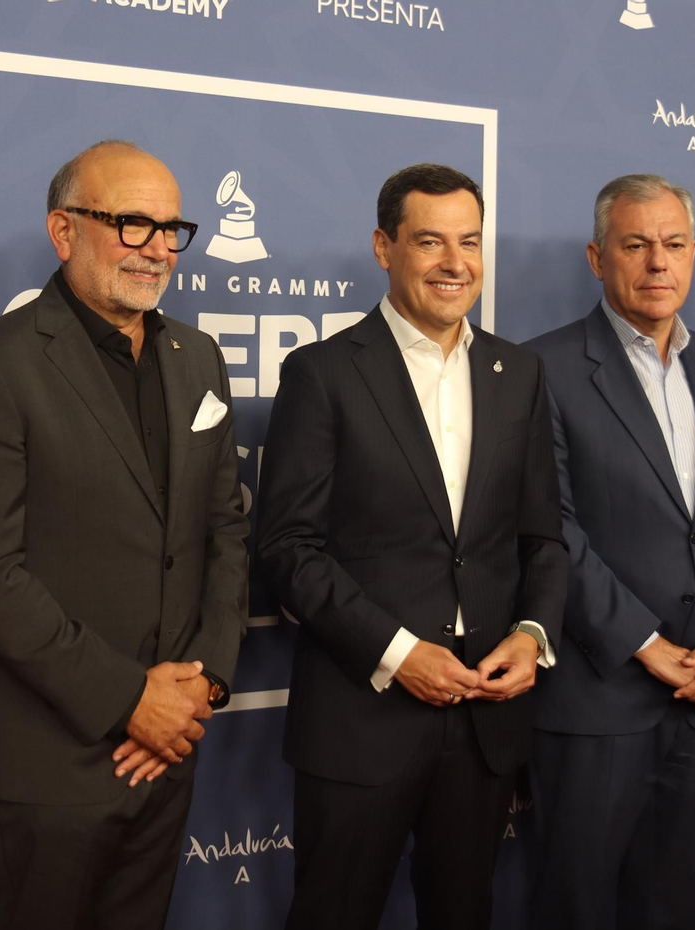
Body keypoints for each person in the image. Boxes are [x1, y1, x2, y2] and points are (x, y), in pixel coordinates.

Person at [0, 140, 249, 930]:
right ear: (63, 230)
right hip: (48, 758)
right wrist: (128, 700)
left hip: (170, 747)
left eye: (172, 229)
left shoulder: (197, 358)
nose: (158, 250)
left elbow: (225, 534)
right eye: (132, 224)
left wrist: (197, 688)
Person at [256, 163, 567, 930]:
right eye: (429, 241)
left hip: (485, 720)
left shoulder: (518, 372)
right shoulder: (323, 373)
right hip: (363, 715)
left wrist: (532, 637)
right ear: (383, 247)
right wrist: (399, 652)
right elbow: (288, 548)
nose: (454, 263)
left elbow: (544, 539)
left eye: (469, 242)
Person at [524, 174, 695, 929]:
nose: (657, 264)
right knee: (572, 905)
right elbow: (551, 529)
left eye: (673, 245)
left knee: (675, 906)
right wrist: (645, 644)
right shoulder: (544, 367)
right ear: (598, 257)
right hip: (597, 698)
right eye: (635, 245)